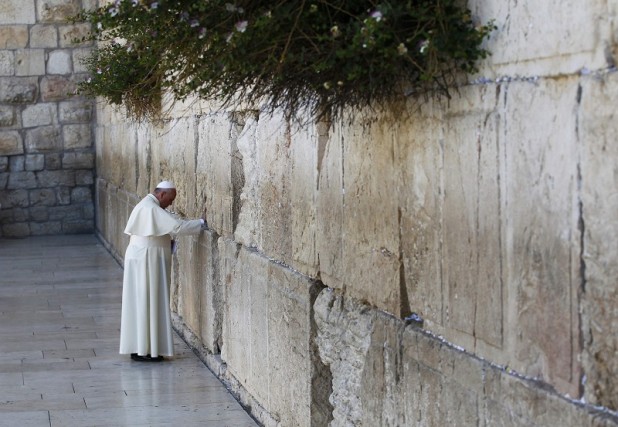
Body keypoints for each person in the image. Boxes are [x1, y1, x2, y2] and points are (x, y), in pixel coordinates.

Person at [119, 180, 207, 362]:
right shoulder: (151, 208)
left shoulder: (147, 205)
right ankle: (146, 350)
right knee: (148, 302)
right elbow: (177, 226)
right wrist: (200, 223)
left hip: (143, 258)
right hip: (146, 260)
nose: (171, 203)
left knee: (141, 303)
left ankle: (140, 348)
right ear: (162, 194)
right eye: (171, 199)